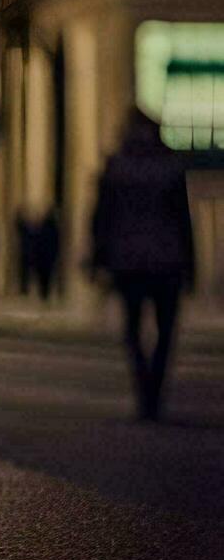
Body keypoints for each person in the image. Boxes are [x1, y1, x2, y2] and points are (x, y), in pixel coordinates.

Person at [90, 110, 195, 421]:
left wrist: (99, 259)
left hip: (129, 261)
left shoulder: (116, 167)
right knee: (165, 332)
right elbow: (183, 223)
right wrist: (191, 266)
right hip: (167, 261)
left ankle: (143, 387)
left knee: (133, 330)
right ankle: (155, 389)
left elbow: (101, 221)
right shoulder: (171, 167)